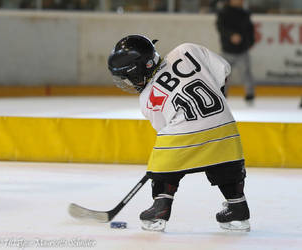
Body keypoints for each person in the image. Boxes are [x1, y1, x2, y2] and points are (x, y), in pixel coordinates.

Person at [107, 34, 250, 232]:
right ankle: (238, 208)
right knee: (226, 163)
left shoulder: (148, 96)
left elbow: (163, 128)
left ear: (141, 69)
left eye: (128, 77)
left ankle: (160, 208)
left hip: (182, 137)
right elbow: (224, 70)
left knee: (163, 164)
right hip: (224, 128)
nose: (128, 83)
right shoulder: (186, 50)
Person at [216, 0, 255, 104]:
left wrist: (249, 43)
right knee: (223, 75)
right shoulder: (224, 13)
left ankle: (250, 95)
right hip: (227, 51)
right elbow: (221, 27)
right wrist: (231, 35)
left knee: (246, 73)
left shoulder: (244, 13)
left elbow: (250, 30)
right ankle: (222, 94)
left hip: (242, 51)